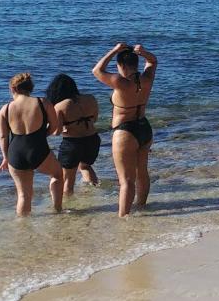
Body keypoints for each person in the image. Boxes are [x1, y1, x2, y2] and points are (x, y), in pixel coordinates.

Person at [92, 43, 157, 217]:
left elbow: (96, 70)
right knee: (142, 172)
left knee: (126, 180)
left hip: (125, 131)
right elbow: (153, 61)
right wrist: (143, 52)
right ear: (136, 64)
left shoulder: (119, 82)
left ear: (121, 65)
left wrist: (114, 50)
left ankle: (124, 216)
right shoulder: (147, 78)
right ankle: (142, 207)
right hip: (144, 127)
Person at [0, 73, 64, 216]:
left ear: (13, 88)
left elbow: (3, 136)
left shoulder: (5, 109)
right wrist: (41, 136)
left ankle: (22, 228)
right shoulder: (43, 103)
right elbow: (54, 127)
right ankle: (58, 210)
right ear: (31, 88)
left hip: (15, 152)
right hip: (37, 149)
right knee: (57, 174)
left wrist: (5, 158)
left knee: (23, 195)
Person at [47, 73, 101, 194]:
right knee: (85, 166)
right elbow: (95, 119)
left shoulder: (60, 106)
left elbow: (57, 132)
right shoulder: (91, 98)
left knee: (68, 181)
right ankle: (95, 193)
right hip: (92, 139)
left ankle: (69, 208)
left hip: (72, 144)